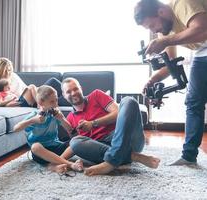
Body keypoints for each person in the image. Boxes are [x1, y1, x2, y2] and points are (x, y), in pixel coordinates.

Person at [134, 0, 207, 166]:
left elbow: (202, 29)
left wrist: (166, 41)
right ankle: (188, 157)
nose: (154, 31)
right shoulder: (164, 32)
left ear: (160, 12)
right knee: (193, 103)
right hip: (202, 51)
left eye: (152, 25)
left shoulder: (182, 3)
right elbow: (171, 64)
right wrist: (153, 80)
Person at [61, 78, 160, 176]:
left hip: (124, 137)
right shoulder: (69, 118)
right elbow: (76, 145)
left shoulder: (96, 95)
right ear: (64, 96)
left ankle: (110, 163)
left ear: (81, 88)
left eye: (75, 89)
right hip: (102, 147)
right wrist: (57, 160)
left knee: (129, 101)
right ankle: (133, 157)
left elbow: (118, 112)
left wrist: (93, 123)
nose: (73, 93)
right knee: (75, 142)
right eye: (68, 92)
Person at [13, 85, 83, 173]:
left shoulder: (56, 113)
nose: (56, 104)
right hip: (41, 153)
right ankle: (70, 164)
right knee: (35, 146)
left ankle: (53, 165)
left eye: (56, 100)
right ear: (41, 102)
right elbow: (15, 128)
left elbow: (70, 130)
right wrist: (32, 120)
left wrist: (62, 119)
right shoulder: (35, 115)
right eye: (52, 101)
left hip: (56, 147)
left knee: (77, 140)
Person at [0, 57, 66, 106]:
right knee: (32, 86)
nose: (8, 72)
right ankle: (39, 105)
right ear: (0, 70)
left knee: (52, 82)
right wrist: (9, 104)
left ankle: (70, 98)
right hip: (20, 100)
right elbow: (0, 101)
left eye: (9, 70)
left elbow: (25, 87)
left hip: (29, 96)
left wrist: (36, 91)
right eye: (5, 70)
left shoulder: (13, 75)